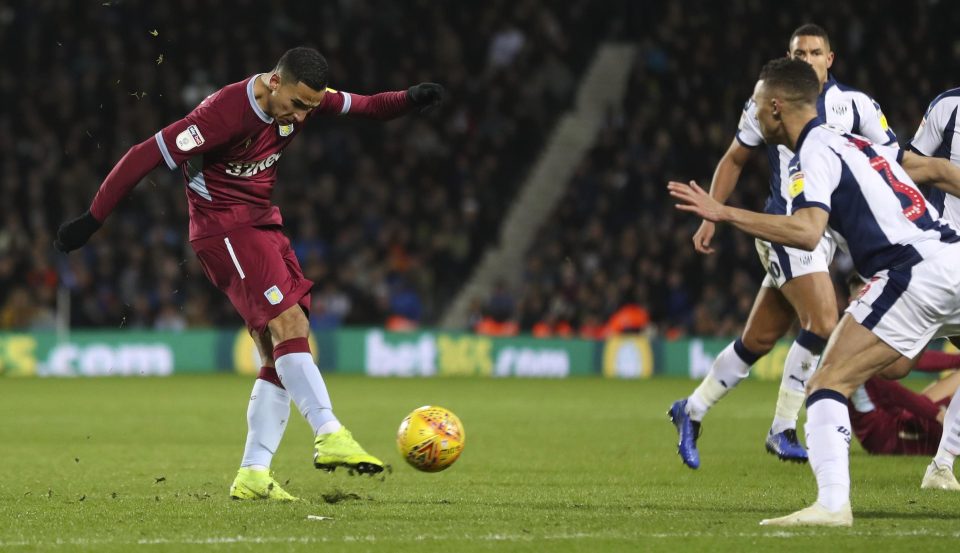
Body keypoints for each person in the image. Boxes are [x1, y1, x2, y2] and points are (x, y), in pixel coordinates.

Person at [54, 47, 444, 501]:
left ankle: (254, 473)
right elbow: (143, 155)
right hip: (223, 228)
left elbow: (366, 107)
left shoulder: (302, 98)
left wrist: (410, 99)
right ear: (274, 82)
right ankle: (329, 432)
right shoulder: (223, 114)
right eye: (297, 105)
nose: (301, 116)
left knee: (275, 350)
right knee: (290, 325)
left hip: (260, 222)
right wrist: (92, 219)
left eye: (310, 108)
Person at [669, 57, 960, 526]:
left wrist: (724, 213)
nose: (756, 114)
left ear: (777, 108)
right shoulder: (857, 142)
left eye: (760, 105)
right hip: (953, 257)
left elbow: (807, 232)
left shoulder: (814, 152)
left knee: (827, 383)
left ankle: (831, 505)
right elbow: (936, 173)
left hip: (912, 273)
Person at [669, 24, 899, 469]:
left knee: (757, 340)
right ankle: (782, 428)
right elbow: (735, 157)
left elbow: (891, 163)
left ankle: (691, 410)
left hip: (833, 238)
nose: (806, 60)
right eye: (798, 53)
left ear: (829, 59)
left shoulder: (856, 106)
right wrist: (711, 214)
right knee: (823, 319)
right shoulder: (766, 106)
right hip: (789, 228)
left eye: (815, 52)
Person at [847, 275, 960, 460]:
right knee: (944, 422)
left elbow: (912, 361)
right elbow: (894, 392)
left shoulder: (867, 331)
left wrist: (956, 360)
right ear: (853, 302)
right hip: (887, 433)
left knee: (943, 397)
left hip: (883, 427)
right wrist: (935, 414)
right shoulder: (857, 339)